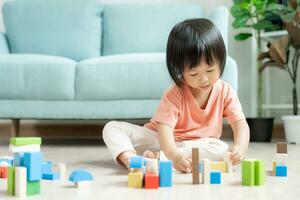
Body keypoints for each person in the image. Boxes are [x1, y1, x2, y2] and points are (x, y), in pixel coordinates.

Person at [102, 18, 250, 173]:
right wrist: (172, 153)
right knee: (112, 128)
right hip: (160, 139)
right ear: (179, 69)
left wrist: (240, 147)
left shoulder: (225, 91)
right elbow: (164, 130)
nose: (204, 79)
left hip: (198, 144)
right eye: (194, 74)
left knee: (220, 148)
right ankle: (131, 159)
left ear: (221, 61)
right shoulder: (175, 93)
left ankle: (158, 158)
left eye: (210, 70)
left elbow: (240, 124)